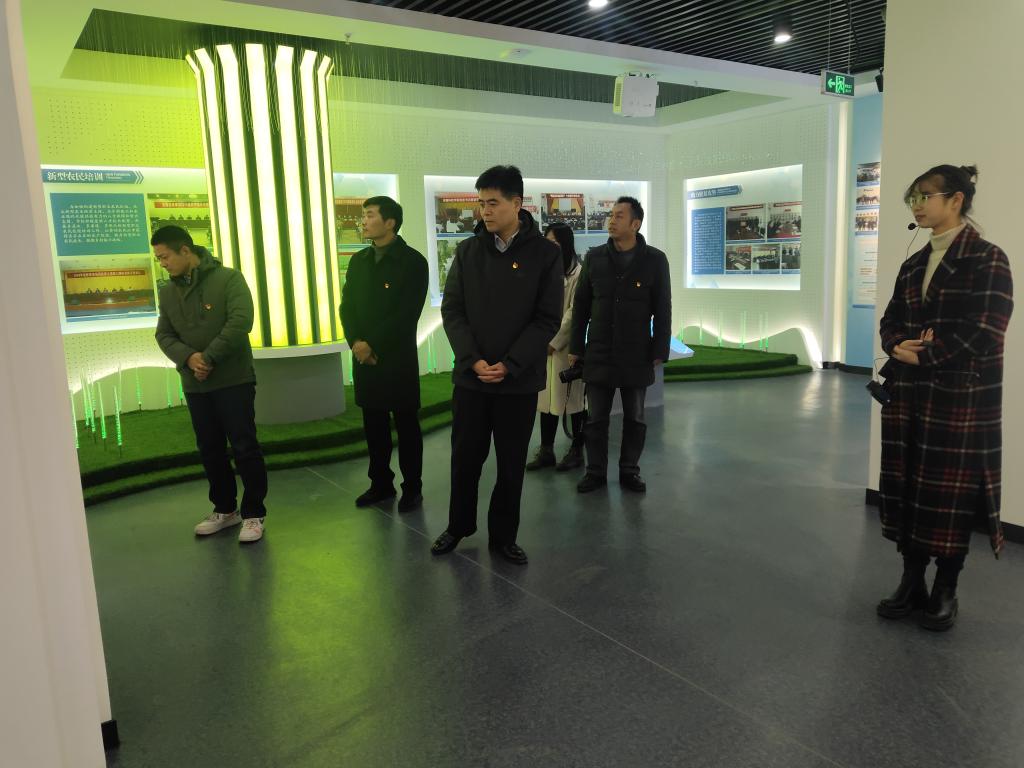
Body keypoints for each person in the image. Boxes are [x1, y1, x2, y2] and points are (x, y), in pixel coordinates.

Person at [876, 165, 1013, 631]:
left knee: (950, 496)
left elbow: (986, 329)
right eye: (912, 198)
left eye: (925, 196)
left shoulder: (987, 259)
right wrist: (896, 344)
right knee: (909, 487)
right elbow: (891, 319)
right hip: (909, 396)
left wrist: (925, 355)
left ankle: (946, 588)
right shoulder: (913, 263)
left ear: (955, 200)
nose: (917, 205)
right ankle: (911, 580)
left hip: (959, 399)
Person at [431, 165, 562, 565]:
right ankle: (458, 525)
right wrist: (473, 360)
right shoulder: (468, 252)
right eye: (481, 203)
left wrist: (510, 363)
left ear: (517, 203)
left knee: (510, 463)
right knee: (465, 458)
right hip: (472, 379)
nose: (484, 211)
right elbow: (453, 311)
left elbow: (547, 319)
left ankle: (504, 536)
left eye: (493, 203)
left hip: (517, 382)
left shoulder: (545, 254)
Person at [153, 225, 268, 543]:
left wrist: (208, 358)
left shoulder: (228, 279)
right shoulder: (167, 292)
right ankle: (225, 509)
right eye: (158, 258)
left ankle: (254, 514)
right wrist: (189, 358)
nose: (162, 263)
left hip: (233, 379)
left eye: (165, 257)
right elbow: (163, 334)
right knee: (209, 448)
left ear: (185, 250)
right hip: (196, 385)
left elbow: (241, 321)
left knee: (244, 446)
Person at [570, 196, 672, 494]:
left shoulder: (655, 260)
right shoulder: (595, 257)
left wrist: (660, 349)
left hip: (636, 353)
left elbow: (663, 308)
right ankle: (595, 472)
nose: (611, 221)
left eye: (618, 216)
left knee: (635, 418)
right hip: (599, 352)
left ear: (635, 224)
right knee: (595, 419)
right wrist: (576, 346)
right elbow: (581, 306)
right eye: (611, 215)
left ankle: (629, 470)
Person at [340, 196, 429, 511]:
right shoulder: (359, 260)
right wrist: (356, 342)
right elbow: (347, 306)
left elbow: (406, 314)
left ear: (390, 222)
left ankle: (412, 488)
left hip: (397, 358)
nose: (363, 221)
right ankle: (380, 484)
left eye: (369, 215)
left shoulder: (413, 262)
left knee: (407, 426)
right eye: (363, 216)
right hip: (364, 358)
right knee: (374, 426)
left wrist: (371, 344)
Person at [526, 222, 585, 472]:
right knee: (547, 401)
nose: (550, 247)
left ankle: (577, 451)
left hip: (567, 348)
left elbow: (574, 312)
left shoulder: (578, 273)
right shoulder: (544, 270)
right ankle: (546, 450)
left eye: (555, 243)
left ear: (566, 244)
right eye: (547, 242)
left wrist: (553, 341)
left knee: (574, 403)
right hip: (544, 345)